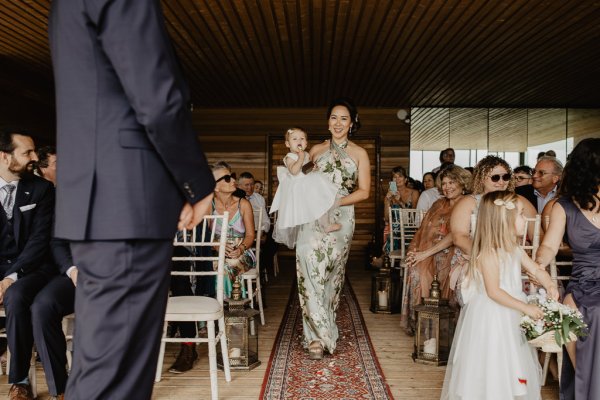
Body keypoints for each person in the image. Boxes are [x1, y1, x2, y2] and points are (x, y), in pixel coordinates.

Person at [49, 2, 215, 399]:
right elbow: (158, 100)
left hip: (102, 203)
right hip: (127, 201)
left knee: (104, 368)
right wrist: (196, 182)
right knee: (113, 380)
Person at [441, 190, 558, 400]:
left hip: (511, 311)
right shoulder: (489, 253)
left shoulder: (514, 248)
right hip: (492, 314)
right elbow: (494, 291)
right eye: (521, 215)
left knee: (512, 357)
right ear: (505, 220)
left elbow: (536, 269)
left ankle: (510, 392)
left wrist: (549, 284)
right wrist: (526, 308)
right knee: (493, 356)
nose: (525, 219)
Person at [295, 98, 370, 360]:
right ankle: (315, 338)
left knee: (331, 275)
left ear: (352, 123)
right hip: (312, 217)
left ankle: (325, 327)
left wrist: (336, 200)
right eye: (334, 118)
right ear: (328, 121)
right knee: (308, 270)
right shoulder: (315, 150)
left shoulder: (360, 153)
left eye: (344, 119)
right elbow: (299, 182)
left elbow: (364, 192)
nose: (338, 123)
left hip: (342, 215)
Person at [536, 138, 600, 399]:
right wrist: (538, 263)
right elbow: (550, 246)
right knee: (583, 310)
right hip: (585, 283)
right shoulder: (564, 207)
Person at [0, 129, 55, 400]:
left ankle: (19, 382)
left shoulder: (42, 189)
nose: (34, 157)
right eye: (27, 152)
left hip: (33, 269)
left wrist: (11, 276)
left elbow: (40, 240)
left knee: (16, 295)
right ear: (4, 157)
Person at [449, 156, 537, 304]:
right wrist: (488, 257)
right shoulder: (469, 202)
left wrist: (527, 260)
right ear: (482, 179)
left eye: (506, 177)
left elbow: (537, 235)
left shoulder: (520, 202)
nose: (501, 182)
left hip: (516, 257)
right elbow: (459, 237)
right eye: (495, 178)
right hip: (476, 257)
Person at [401, 166, 471, 334]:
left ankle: (444, 326)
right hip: (431, 249)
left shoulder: (467, 203)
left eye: (452, 182)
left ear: (462, 183)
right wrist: (414, 250)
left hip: (456, 250)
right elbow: (422, 229)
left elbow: (456, 235)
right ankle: (422, 323)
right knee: (416, 269)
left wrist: (424, 253)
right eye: (444, 183)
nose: (447, 187)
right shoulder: (439, 203)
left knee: (440, 267)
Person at [269, 127, 340, 248]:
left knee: (320, 202)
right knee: (308, 207)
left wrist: (312, 167)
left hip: (308, 183)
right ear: (288, 144)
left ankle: (326, 224)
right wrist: (301, 158)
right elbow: (294, 171)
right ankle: (312, 230)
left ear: (306, 143)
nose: (299, 141)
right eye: (294, 139)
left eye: (302, 138)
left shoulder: (306, 154)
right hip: (298, 187)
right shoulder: (290, 156)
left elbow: (305, 169)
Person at [211, 162, 256, 297]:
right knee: (213, 265)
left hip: (242, 251)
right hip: (216, 251)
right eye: (227, 178)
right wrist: (217, 245)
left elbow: (250, 235)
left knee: (227, 266)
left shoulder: (243, 204)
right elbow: (204, 234)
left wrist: (240, 249)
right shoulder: (209, 205)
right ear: (215, 187)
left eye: (232, 176)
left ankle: (227, 307)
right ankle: (227, 304)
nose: (233, 180)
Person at [383, 166, 420, 253]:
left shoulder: (414, 193)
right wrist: (387, 200)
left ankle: (385, 258)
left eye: (400, 176)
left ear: (405, 179)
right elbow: (387, 218)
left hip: (409, 229)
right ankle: (388, 258)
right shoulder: (389, 195)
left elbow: (413, 216)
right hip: (394, 229)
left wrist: (400, 202)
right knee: (392, 232)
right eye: (394, 177)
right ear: (392, 181)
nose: (397, 179)